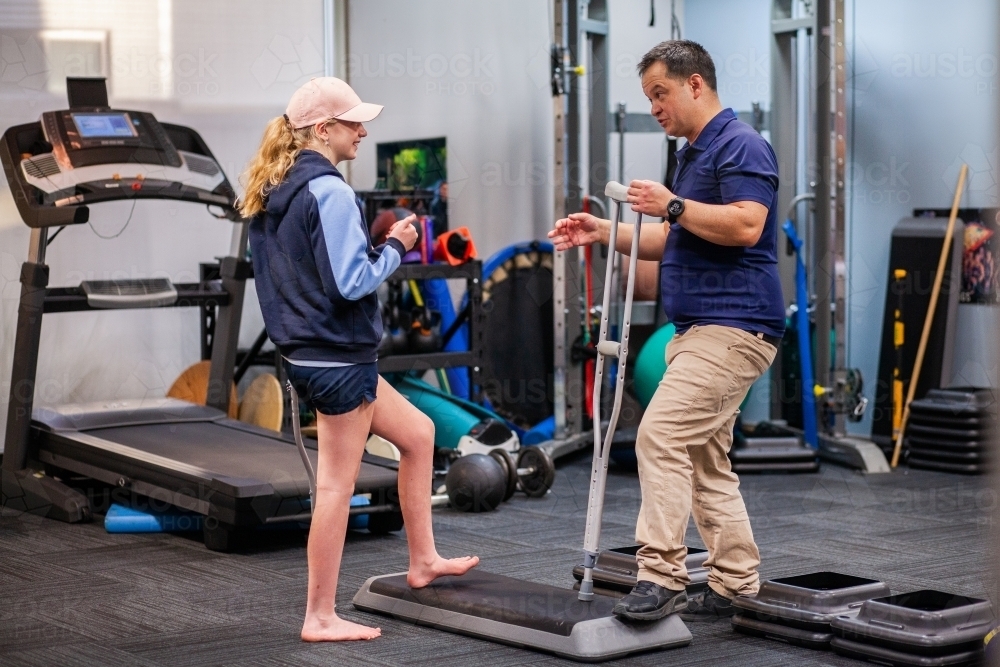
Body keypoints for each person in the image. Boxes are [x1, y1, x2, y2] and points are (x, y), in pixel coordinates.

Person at [549, 40, 783, 623]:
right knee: (705, 460)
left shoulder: (741, 144)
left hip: (735, 328)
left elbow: (747, 225)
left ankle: (662, 575)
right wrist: (604, 231)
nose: (654, 106)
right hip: (697, 329)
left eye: (661, 93)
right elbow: (669, 239)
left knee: (659, 436)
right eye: (648, 96)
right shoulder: (691, 155)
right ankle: (735, 581)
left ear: (695, 84)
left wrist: (673, 205)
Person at [240, 77, 478, 642]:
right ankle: (319, 616)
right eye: (352, 123)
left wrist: (371, 250)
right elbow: (351, 283)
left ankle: (423, 561)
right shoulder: (329, 190)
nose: (363, 131)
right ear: (322, 130)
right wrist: (395, 243)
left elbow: (313, 275)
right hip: (338, 362)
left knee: (419, 434)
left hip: (314, 355)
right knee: (334, 489)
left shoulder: (272, 188)